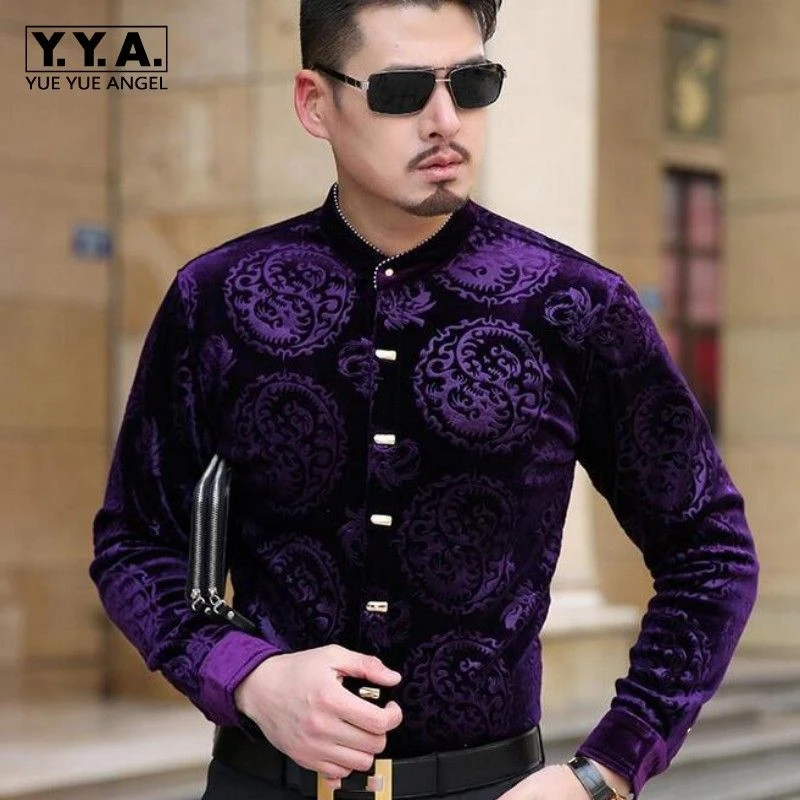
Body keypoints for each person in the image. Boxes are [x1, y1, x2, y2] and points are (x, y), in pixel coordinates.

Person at [90, 1, 759, 799]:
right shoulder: (217, 298)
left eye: (471, 84)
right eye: (402, 91)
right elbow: (135, 542)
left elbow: (709, 551)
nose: (446, 121)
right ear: (315, 102)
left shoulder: (575, 306)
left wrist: (605, 771)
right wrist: (248, 677)